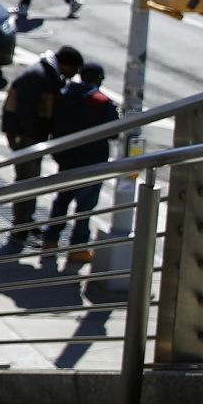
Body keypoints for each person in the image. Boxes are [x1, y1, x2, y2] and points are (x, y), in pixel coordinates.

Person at [0, 46, 82, 246]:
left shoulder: (45, 74)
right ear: (66, 65)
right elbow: (25, 112)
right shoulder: (38, 77)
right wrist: (33, 139)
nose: (75, 75)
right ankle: (20, 228)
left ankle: (26, 221)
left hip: (30, 138)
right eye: (75, 69)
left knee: (31, 181)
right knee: (26, 183)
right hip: (26, 139)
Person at [45, 61, 119, 263]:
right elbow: (114, 133)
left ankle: (50, 241)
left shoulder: (64, 94)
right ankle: (77, 249)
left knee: (62, 200)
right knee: (85, 207)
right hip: (91, 160)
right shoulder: (102, 103)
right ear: (98, 79)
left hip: (66, 157)